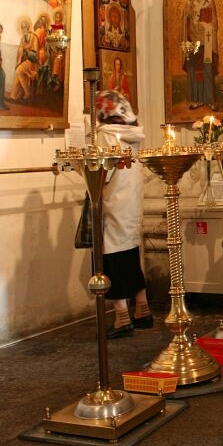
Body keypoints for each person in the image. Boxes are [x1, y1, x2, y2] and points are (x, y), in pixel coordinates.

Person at [94, 90, 153, 339]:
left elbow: (101, 172)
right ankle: (142, 308)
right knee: (131, 252)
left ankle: (122, 316)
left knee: (111, 258)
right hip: (132, 200)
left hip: (112, 201)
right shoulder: (134, 134)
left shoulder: (105, 136)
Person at [182, 0, 219, 110]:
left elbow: (214, 22)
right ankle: (196, 100)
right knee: (194, 70)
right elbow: (185, 21)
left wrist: (205, 25)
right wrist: (189, 23)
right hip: (193, 40)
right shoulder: (189, 2)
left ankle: (209, 100)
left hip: (206, 39)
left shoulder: (209, 0)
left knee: (207, 69)